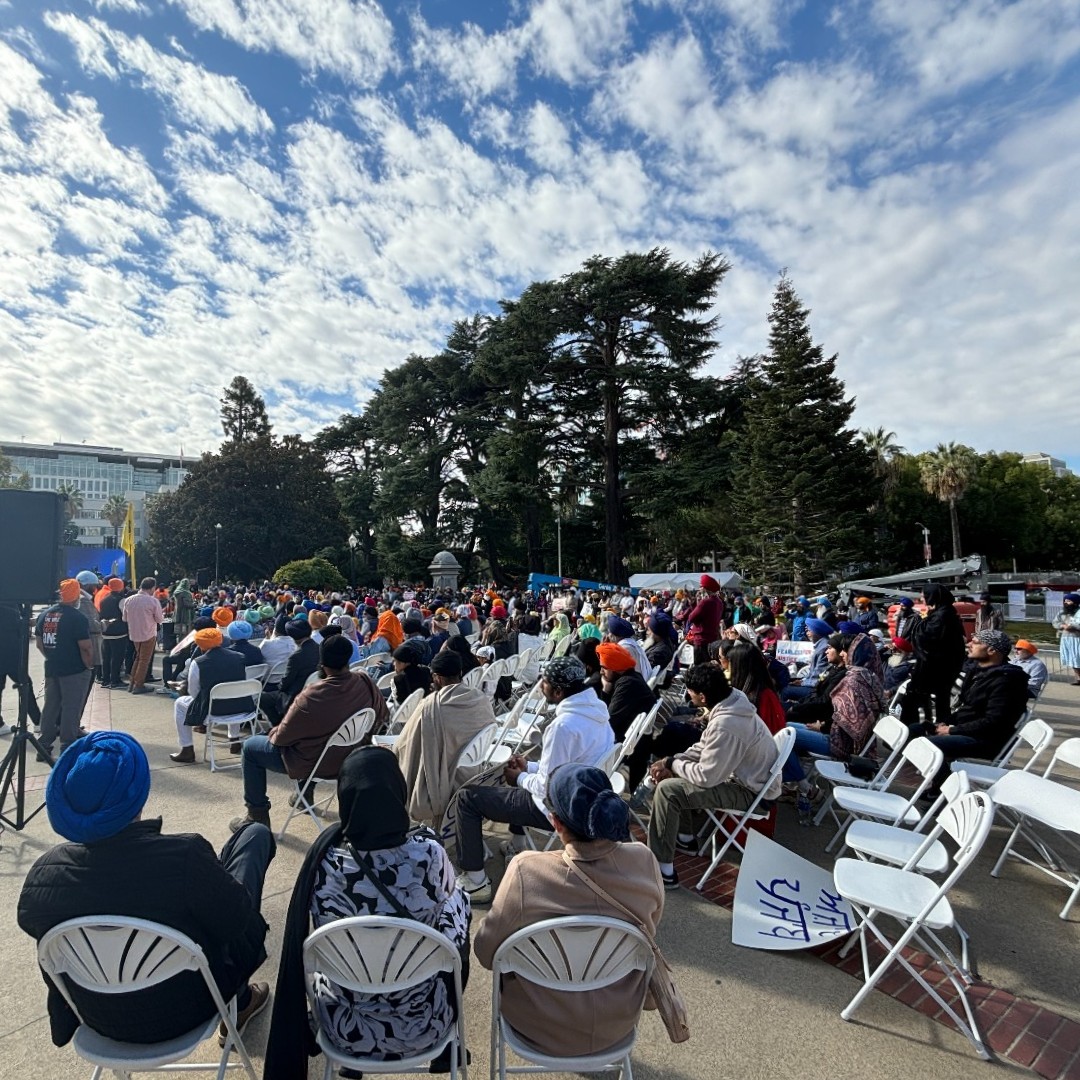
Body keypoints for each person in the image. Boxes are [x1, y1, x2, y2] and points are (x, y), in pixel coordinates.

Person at [18, 732, 272, 1050]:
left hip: (100, 1018)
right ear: (138, 794)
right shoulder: (185, 856)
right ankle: (241, 1003)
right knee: (253, 839)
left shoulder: (42, 877)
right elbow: (236, 922)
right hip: (193, 1007)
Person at [263, 747, 471, 1080]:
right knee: (455, 933)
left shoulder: (323, 864)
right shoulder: (429, 856)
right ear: (398, 793)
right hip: (424, 1027)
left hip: (344, 1030)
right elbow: (457, 928)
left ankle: (353, 1062)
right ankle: (448, 1049)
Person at [474, 764, 664, 1058]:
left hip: (535, 1026)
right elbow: (649, 932)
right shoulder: (644, 862)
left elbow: (487, 953)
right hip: (616, 1024)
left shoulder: (527, 871)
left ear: (555, 822)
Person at [454, 655, 614, 904]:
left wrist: (519, 777)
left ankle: (475, 881)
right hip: (584, 798)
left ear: (558, 691)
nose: (541, 687)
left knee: (467, 798)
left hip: (561, 810)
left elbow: (544, 787)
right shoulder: (597, 714)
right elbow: (565, 766)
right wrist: (528, 767)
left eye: (545, 682)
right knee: (519, 785)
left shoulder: (563, 726)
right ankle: (518, 845)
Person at [230, 634, 389, 830]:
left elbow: (281, 739)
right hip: (351, 755)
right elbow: (383, 714)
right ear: (349, 658)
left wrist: (272, 732)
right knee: (315, 739)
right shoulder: (365, 681)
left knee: (250, 747)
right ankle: (303, 794)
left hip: (317, 762)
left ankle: (257, 815)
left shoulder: (312, 696)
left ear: (322, 663)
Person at [646, 664, 779, 890]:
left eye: (690, 692)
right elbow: (705, 746)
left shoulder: (727, 724)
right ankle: (685, 839)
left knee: (669, 791)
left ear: (702, 696)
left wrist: (672, 764)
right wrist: (674, 760)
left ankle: (661, 869)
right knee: (676, 778)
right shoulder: (732, 701)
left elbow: (706, 777)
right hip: (751, 781)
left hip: (753, 793)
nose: (688, 695)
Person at [394, 650, 498, 829]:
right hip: (472, 771)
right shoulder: (480, 699)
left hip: (444, 776)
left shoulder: (430, 707)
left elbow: (404, 744)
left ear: (437, 678)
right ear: (460, 673)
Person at [921, 629, 1030, 796]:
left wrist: (951, 730)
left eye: (976, 642)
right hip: (971, 731)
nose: (969, 644)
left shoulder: (1006, 680)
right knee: (916, 730)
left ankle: (946, 792)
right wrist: (946, 723)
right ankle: (941, 786)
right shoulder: (980, 673)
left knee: (929, 745)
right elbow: (969, 709)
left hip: (987, 740)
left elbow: (994, 722)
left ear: (992, 650)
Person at [170, 627, 255, 763]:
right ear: (220, 640)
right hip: (242, 708)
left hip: (214, 711)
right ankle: (234, 739)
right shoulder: (239, 657)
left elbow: (193, 692)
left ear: (200, 645)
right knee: (233, 694)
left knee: (180, 703)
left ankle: (187, 749)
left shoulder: (198, 663)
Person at [34, 579, 92, 761]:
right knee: (71, 708)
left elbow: (39, 644)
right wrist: (88, 665)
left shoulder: (44, 615)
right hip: (74, 669)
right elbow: (85, 647)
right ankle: (67, 747)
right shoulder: (77, 618)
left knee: (50, 707)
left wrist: (52, 657)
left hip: (52, 667)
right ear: (76, 596)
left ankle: (43, 746)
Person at [902, 584, 966, 727]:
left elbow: (926, 638)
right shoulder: (946, 613)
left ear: (933, 597)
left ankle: (912, 728)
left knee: (915, 696)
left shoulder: (941, 616)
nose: (922, 599)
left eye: (924, 596)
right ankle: (934, 724)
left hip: (934, 667)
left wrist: (923, 620)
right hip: (942, 665)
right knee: (940, 698)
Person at [260, 619, 320, 726]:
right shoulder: (319, 647)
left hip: (295, 693)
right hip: (313, 689)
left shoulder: (297, 656)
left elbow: (286, 682)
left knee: (262, 699)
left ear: (293, 637)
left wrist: (278, 687)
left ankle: (279, 725)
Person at [598, 642, 655, 742]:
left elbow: (608, 721)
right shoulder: (632, 676)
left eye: (604, 668)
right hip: (633, 736)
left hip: (628, 743)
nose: (601, 672)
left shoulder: (627, 684)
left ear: (615, 667)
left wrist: (605, 691)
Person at [121, 576, 163, 694]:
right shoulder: (153, 601)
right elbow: (159, 619)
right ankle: (138, 685)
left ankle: (132, 683)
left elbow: (124, 618)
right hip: (148, 633)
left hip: (134, 634)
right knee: (144, 660)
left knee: (138, 658)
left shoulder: (129, 600)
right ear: (152, 588)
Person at [683, 575, 725, 663]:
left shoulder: (705, 602)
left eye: (701, 586)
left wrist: (697, 602)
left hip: (701, 641)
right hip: (713, 640)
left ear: (705, 588)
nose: (699, 589)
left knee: (700, 667)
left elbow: (691, 618)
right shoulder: (719, 602)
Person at [97, 577, 129, 689]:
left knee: (106, 657)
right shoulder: (121, 600)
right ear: (121, 587)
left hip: (106, 632)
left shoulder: (104, 600)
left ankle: (105, 680)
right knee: (117, 657)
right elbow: (125, 616)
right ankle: (115, 680)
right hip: (119, 633)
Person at [74, 571, 104, 686]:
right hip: (90, 644)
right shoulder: (83, 600)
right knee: (86, 683)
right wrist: (104, 625)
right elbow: (93, 625)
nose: (95, 588)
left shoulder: (76, 598)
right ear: (86, 585)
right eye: (94, 585)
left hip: (82, 645)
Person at [1054, 593, 1080, 685]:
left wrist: (1074, 627)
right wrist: (1062, 625)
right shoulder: (1062, 612)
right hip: (1066, 639)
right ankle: (1078, 678)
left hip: (1077, 639)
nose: (1066, 603)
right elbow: (1055, 622)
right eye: (1065, 601)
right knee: (1073, 659)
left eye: (1068, 601)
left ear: (1075, 602)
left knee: (1078, 658)